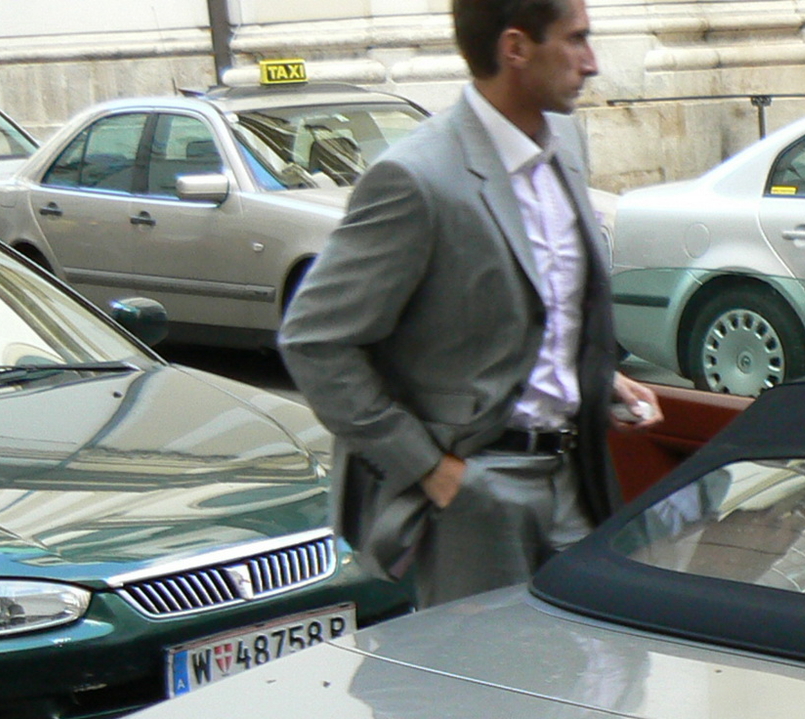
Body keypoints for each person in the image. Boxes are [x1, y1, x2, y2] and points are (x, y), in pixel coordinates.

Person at [280, 0, 663, 607]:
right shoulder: (416, 178)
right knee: (491, 690)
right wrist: (430, 468)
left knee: (596, 679)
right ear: (516, 48)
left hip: (575, 475)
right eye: (577, 40)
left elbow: (538, 300)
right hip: (477, 493)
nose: (592, 64)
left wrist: (596, 375)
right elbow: (315, 340)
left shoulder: (563, 138)